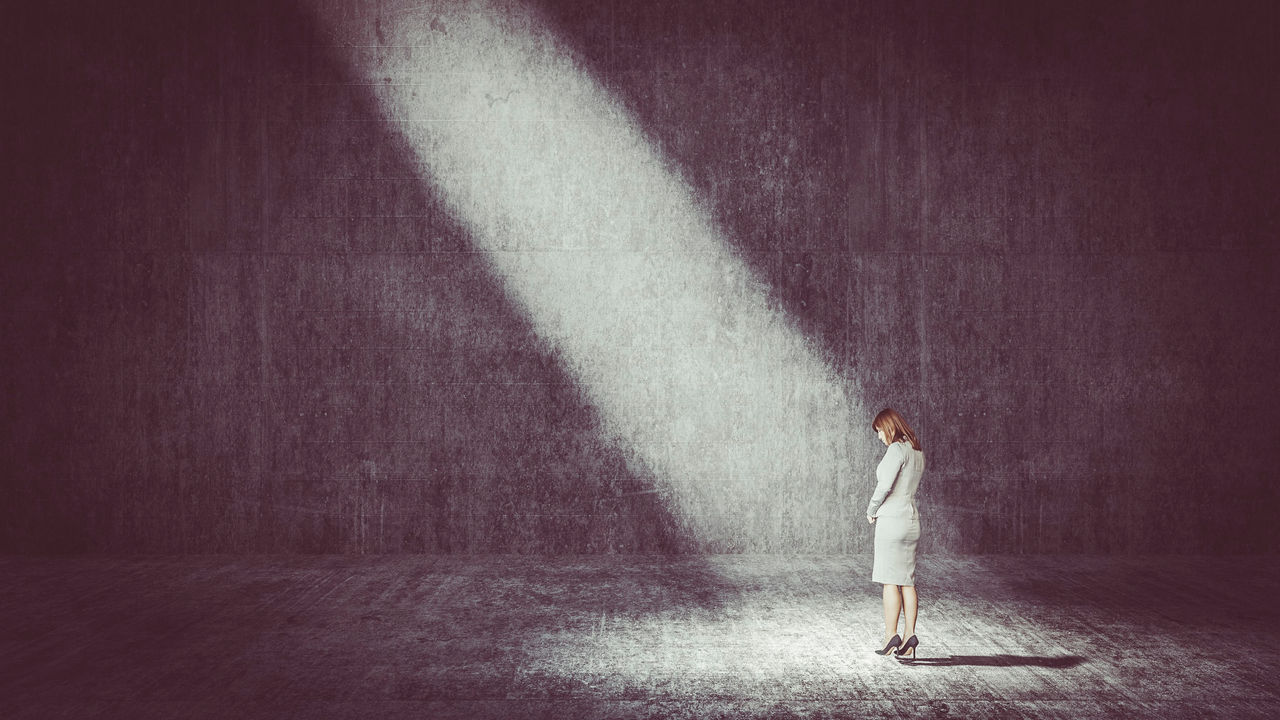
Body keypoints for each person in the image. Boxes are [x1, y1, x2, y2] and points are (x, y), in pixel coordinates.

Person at [866, 408, 924, 661]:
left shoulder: (895, 450)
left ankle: (891, 635)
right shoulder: (917, 451)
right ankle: (909, 635)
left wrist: (871, 509)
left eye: (879, 431)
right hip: (911, 519)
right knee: (907, 580)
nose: (879, 437)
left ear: (889, 426)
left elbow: (885, 485)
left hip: (892, 520)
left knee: (890, 580)